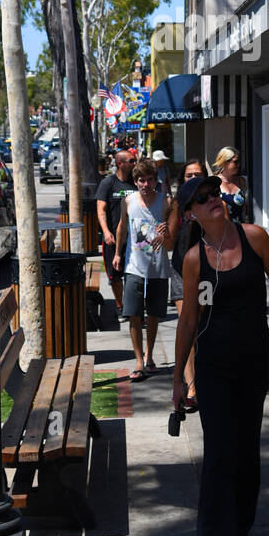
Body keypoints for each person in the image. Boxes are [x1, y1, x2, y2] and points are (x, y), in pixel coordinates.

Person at [172, 174, 269, 536]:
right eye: (202, 198)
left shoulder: (255, 238)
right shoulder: (195, 259)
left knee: (246, 450)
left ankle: (240, 526)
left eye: (214, 193)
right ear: (192, 214)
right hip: (213, 366)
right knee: (218, 454)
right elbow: (188, 320)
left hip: (254, 362)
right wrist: (180, 376)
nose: (213, 199)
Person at [114, 157, 171, 381]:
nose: (146, 185)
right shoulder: (128, 201)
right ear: (135, 182)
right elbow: (121, 227)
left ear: (155, 181)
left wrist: (166, 232)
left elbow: (172, 235)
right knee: (134, 314)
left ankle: (150, 356)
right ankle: (139, 361)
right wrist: (118, 253)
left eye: (149, 180)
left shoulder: (165, 202)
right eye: (141, 180)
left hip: (158, 267)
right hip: (133, 266)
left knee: (154, 314)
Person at [163, 158, 207, 410]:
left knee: (203, 329)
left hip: (207, 273)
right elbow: (169, 244)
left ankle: (205, 379)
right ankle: (192, 386)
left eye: (198, 175)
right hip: (181, 271)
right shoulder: (176, 205)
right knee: (187, 327)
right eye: (188, 175)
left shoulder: (213, 203)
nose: (193, 179)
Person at [96, 150, 136, 315]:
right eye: (131, 161)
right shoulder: (108, 183)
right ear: (120, 163)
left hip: (135, 239)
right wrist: (106, 232)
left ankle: (133, 307)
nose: (135, 163)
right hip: (113, 239)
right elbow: (101, 210)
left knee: (133, 276)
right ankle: (120, 307)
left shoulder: (136, 182)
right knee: (115, 276)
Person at [213, 146, 246, 223]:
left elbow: (245, 209)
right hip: (222, 229)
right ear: (225, 162)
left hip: (241, 228)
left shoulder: (242, 181)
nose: (238, 165)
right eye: (235, 162)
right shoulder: (214, 182)